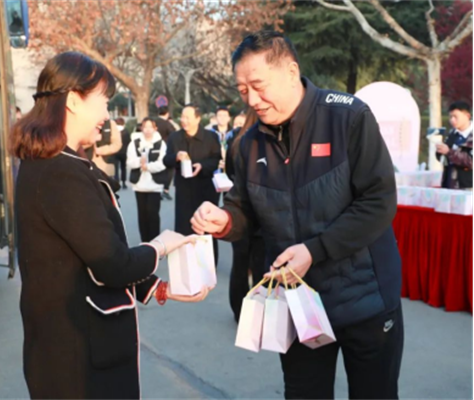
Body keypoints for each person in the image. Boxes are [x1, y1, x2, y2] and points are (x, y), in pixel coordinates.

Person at [191, 30, 403, 400]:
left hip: (365, 297)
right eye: (243, 90)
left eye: (259, 86)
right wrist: (225, 221)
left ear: (291, 72)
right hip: (298, 305)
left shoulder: (348, 117)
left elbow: (379, 201)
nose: (252, 100)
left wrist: (315, 250)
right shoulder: (249, 143)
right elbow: (244, 209)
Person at [10, 51, 211, 400]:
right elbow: (112, 263)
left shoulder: (55, 163)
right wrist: (161, 245)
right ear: (73, 101)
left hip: (74, 353)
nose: (107, 115)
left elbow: (89, 249)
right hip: (78, 364)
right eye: (103, 102)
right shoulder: (59, 171)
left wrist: (157, 288)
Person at [163, 104, 222, 266]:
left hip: (206, 190)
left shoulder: (210, 137)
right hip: (184, 190)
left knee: (206, 227)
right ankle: (186, 265)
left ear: (198, 118)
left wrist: (202, 166)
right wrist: (176, 156)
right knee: (184, 227)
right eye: (182, 117)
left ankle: (209, 265)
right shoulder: (175, 137)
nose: (184, 120)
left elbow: (216, 160)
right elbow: (166, 160)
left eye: (188, 117)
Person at [222, 109, 266, 322]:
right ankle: (257, 312)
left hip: (238, 206)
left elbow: (229, 172)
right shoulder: (262, 142)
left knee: (239, 262)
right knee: (259, 265)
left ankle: (238, 309)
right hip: (260, 213)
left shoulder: (237, 140)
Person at [127, 118, 169, 242]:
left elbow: (163, 163)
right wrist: (139, 162)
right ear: (141, 128)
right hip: (139, 185)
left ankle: (155, 242)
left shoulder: (161, 144)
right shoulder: (134, 143)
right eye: (145, 127)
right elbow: (129, 162)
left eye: (151, 127)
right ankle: (144, 242)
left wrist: (148, 167)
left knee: (153, 214)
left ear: (155, 128)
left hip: (155, 185)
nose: (148, 130)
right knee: (142, 215)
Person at [435, 100, 472, 189]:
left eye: (455, 116)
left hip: (469, 188)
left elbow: (471, 161)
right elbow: (444, 160)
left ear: (467, 116)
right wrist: (440, 151)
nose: (452, 120)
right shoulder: (452, 134)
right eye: (450, 117)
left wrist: (449, 152)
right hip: (450, 186)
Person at [154, 106, 177, 200]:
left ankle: (157, 189)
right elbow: (174, 134)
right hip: (166, 149)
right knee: (169, 170)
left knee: (156, 168)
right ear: (167, 113)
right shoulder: (167, 124)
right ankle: (165, 190)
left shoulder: (153, 122)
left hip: (154, 148)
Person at [113, 117, 131, 189]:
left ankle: (116, 181)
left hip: (115, 152)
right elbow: (129, 142)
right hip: (124, 152)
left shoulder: (114, 132)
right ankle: (124, 182)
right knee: (123, 168)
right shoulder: (126, 131)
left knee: (115, 168)